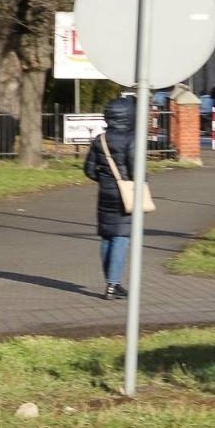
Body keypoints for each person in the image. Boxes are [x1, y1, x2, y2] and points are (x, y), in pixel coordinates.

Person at [83, 96, 137, 300]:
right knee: (121, 238)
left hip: (104, 193)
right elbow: (135, 170)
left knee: (107, 236)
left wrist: (104, 179)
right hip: (125, 194)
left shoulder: (100, 140)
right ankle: (113, 286)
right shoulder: (132, 140)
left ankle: (111, 282)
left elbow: (88, 170)